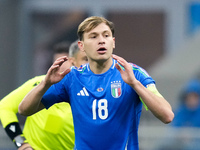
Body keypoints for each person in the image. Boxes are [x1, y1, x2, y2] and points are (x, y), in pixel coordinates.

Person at [19, 16, 174, 150]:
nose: (101, 40)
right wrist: (45, 84)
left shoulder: (133, 73)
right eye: (93, 36)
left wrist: (135, 84)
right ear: (82, 46)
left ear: (113, 42)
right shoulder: (72, 78)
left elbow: (167, 115)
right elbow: (24, 110)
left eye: (106, 36)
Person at [0, 41, 87, 150]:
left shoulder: (88, 93)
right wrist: (21, 143)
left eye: (65, 61)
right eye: (56, 61)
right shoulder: (39, 84)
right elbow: (4, 106)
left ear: (74, 62)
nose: (59, 66)